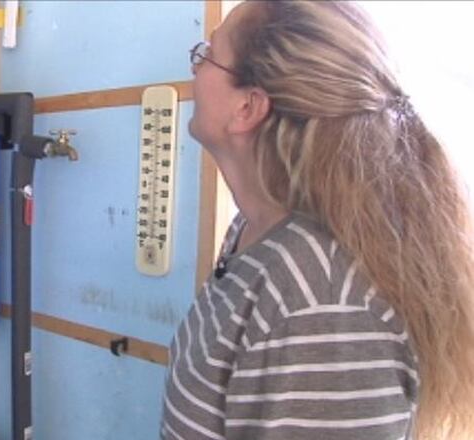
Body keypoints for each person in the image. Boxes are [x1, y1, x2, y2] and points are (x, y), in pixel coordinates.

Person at [161, 1, 474, 439]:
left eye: (206, 55)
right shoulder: (255, 233)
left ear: (247, 107)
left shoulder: (323, 306)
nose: (194, 70)